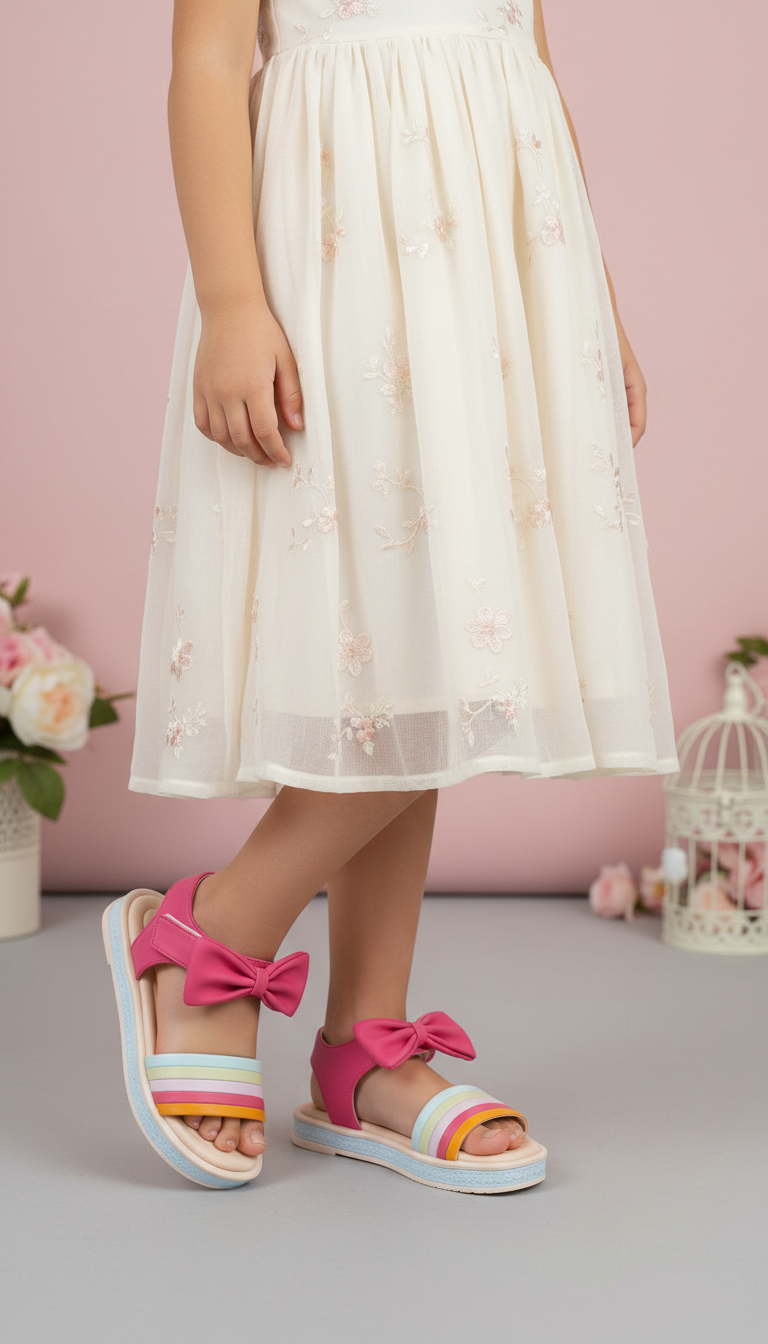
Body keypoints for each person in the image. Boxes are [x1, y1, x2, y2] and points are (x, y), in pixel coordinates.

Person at [105, 0, 679, 1193]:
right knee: (389, 630)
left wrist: (595, 296)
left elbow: (526, 58)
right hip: (342, 256)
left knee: (433, 643)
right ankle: (215, 930)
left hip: (493, 278)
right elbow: (206, 61)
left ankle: (364, 1043)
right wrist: (230, 300)